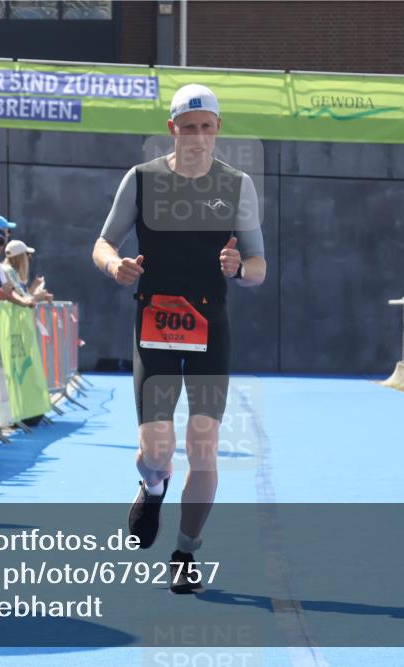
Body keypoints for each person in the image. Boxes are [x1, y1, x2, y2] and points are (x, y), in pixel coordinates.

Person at [92, 84, 267, 593]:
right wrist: (114, 265)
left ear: (217, 130)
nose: (197, 136)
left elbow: (259, 266)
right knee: (155, 449)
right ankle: (152, 486)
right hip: (156, 324)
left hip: (212, 327)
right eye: (187, 127)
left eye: (206, 127)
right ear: (172, 129)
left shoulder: (237, 186)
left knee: (204, 444)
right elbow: (102, 242)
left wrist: (240, 268)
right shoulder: (142, 180)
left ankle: (186, 553)